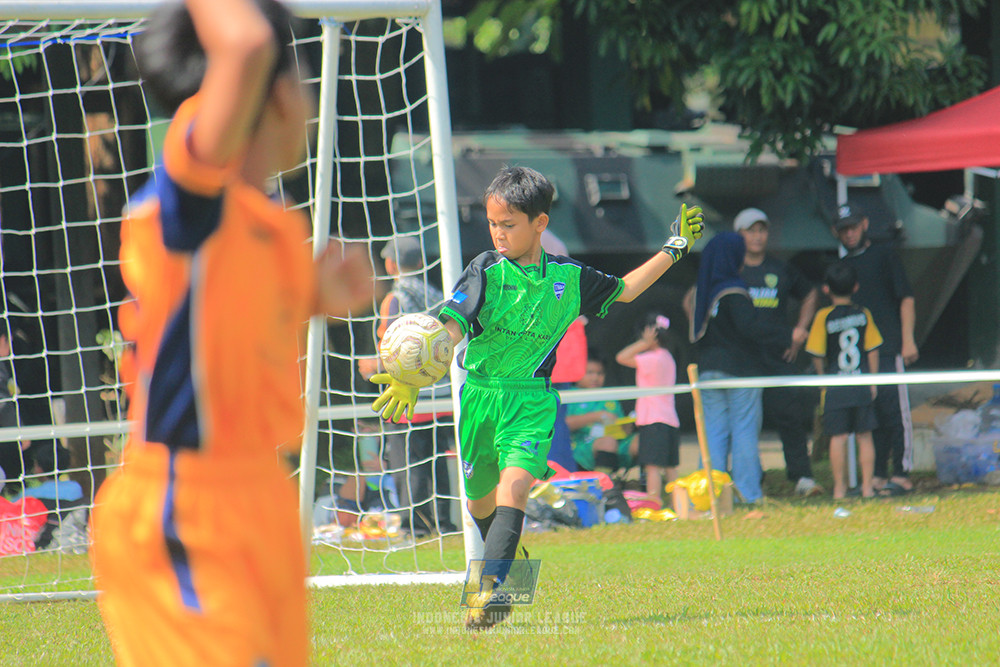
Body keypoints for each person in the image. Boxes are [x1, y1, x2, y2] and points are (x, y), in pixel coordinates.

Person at [89, 2, 370, 665]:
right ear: (270, 91)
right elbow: (242, 45)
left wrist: (324, 295)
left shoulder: (269, 226)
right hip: (186, 507)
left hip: (260, 502)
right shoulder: (189, 197)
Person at [372, 165, 704, 630]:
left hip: (531, 400)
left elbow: (626, 290)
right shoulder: (485, 270)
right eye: (493, 224)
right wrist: (414, 371)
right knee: (479, 504)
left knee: (515, 487)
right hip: (480, 398)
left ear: (540, 224)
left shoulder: (569, 279)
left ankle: (487, 595)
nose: (499, 234)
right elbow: (451, 325)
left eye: (509, 225)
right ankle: (513, 571)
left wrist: (674, 249)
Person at [358, 236, 456, 535]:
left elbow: (395, 350)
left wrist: (372, 365)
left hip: (407, 394)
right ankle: (443, 522)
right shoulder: (437, 294)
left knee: (407, 462)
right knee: (436, 461)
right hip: (438, 392)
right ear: (422, 263)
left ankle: (416, 525)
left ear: (390, 264)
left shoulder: (395, 298)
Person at [690, 232, 790, 505]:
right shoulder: (734, 289)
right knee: (744, 431)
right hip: (741, 373)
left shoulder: (706, 290)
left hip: (709, 371)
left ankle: (711, 497)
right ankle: (748, 493)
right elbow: (749, 328)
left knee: (713, 434)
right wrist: (784, 334)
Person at [733, 208, 821, 496]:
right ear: (739, 235)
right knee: (745, 422)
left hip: (779, 356)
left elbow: (810, 293)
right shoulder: (731, 269)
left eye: (762, 230)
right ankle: (748, 479)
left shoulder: (780, 269)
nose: (757, 236)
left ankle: (802, 479)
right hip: (743, 359)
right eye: (750, 230)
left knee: (789, 416)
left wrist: (800, 331)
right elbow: (693, 298)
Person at [832, 205, 918, 495]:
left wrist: (907, 340)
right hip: (857, 356)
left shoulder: (884, 255)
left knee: (896, 412)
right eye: (844, 229)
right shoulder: (842, 267)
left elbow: (906, 298)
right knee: (873, 415)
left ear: (865, 224)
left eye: (853, 226)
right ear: (837, 233)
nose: (850, 233)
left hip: (888, 347)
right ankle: (878, 475)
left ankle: (903, 473)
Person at [806, 262, 883, 499]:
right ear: (856, 287)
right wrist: (873, 380)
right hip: (860, 383)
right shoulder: (863, 313)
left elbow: (817, 353)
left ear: (826, 289)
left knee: (837, 438)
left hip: (836, 386)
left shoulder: (823, 317)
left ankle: (839, 488)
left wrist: (823, 379)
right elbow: (872, 349)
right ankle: (868, 487)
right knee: (865, 436)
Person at [615, 314, 680, 506]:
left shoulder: (652, 358)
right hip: (669, 419)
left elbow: (621, 357)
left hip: (653, 419)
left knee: (652, 466)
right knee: (670, 467)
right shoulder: (667, 356)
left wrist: (644, 343)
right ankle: (681, 505)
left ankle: (654, 501)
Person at [564, 353, 635, 475]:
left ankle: (645, 484)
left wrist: (626, 426)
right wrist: (595, 416)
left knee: (642, 441)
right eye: (590, 373)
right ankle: (604, 485)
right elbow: (563, 424)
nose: (595, 378)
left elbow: (624, 429)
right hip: (580, 446)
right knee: (608, 442)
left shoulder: (608, 396)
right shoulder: (569, 395)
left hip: (616, 443)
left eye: (600, 373)